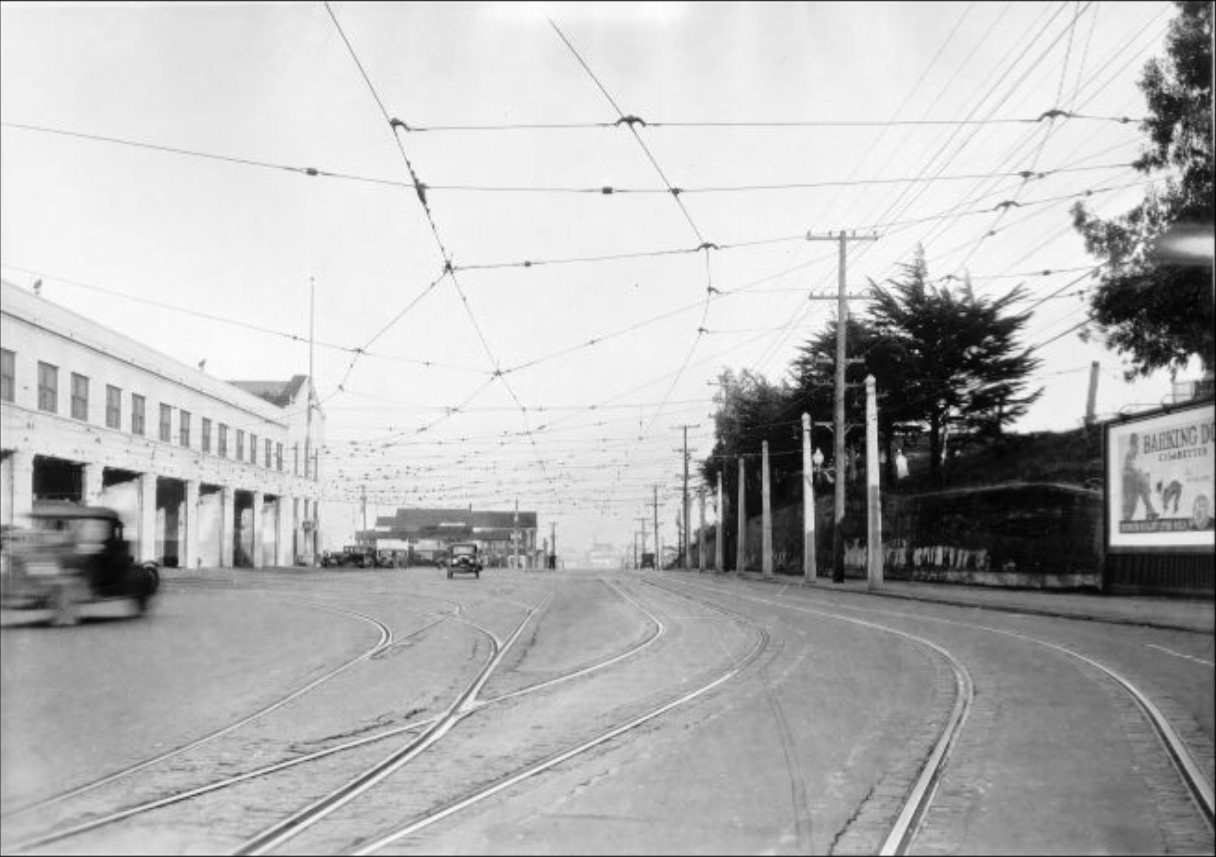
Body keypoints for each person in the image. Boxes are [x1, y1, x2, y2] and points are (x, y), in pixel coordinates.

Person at [1121, 433, 1158, 521]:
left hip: (1134, 487)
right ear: (1131, 445)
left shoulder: (1135, 457)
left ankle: (1150, 510)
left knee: (1131, 510)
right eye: (1136, 446)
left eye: (1138, 446)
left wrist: (1146, 480)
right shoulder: (1128, 456)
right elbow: (1129, 471)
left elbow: (1141, 471)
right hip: (1129, 488)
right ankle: (1150, 509)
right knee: (1128, 511)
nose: (1137, 449)